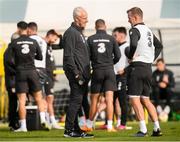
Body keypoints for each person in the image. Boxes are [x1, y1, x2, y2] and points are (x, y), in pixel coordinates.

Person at [126, 7, 163, 137]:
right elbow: (159, 46)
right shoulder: (148, 30)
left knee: (134, 99)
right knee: (146, 100)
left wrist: (130, 56)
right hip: (148, 68)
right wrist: (151, 58)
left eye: (129, 17)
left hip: (137, 68)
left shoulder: (134, 30)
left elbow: (134, 45)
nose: (128, 19)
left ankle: (143, 130)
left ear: (135, 17)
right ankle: (157, 128)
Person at [7, 21, 49, 132]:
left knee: (21, 100)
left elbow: (8, 59)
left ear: (18, 29)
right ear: (27, 29)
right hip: (32, 71)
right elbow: (40, 57)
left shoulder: (14, 42)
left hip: (20, 72)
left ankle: (23, 127)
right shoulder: (33, 41)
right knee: (39, 98)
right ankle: (43, 119)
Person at [63, 7, 94, 138]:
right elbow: (68, 56)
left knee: (79, 101)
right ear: (76, 19)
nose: (87, 21)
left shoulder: (79, 32)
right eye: (84, 18)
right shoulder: (71, 33)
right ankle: (69, 130)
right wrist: (76, 73)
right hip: (76, 74)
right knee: (76, 101)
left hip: (83, 73)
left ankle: (76, 129)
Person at [86, 19, 121, 132]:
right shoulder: (111, 38)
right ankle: (110, 126)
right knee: (109, 100)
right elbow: (118, 55)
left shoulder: (90, 39)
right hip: (109, 71)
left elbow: (87, 57)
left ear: (96, 27)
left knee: (94, 99)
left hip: (97, 70)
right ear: (105, 26)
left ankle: (90, 125)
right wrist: (110, 63)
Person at [44, 29, 64, 129]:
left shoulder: (49, 45)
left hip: (50, 74)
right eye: (54, 38)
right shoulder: (42, 44)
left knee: (48, 98)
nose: (55, 41)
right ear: (50, 35)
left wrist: (60, 36)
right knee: (49, 98)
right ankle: (51, 121)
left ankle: (48, 120)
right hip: (45, 74)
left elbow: (61, 45)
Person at [112, 27, 131, 130]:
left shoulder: (127, 48)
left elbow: (134, 62)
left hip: (122, 78)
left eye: (115, 35)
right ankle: (110, 123)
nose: (114, 38)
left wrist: (125, 70)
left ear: (122, 35)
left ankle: (123, 124)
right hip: (113, 77)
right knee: (110, 101)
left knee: (122, 101)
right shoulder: (116, 47)